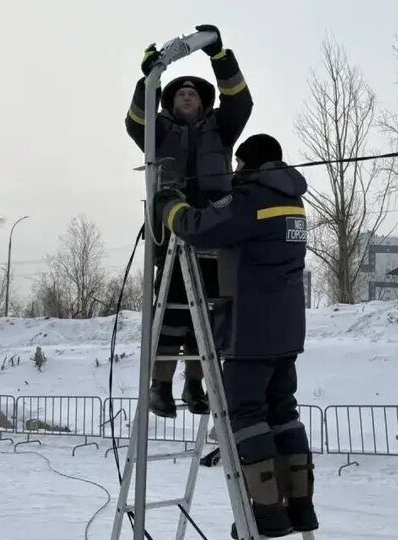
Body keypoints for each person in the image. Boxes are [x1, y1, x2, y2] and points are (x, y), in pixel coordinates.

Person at [156, 134, 318, 538]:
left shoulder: (251, 199)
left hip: (251, 330)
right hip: (286, 330)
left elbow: (198, 227)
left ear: (246, 163)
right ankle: (299, 508)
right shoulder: (291, 200)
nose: (235, 172)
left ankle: (266, 513)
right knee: (283, 412)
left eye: (238, 165)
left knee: (246, 415)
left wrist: (168, 204)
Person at [124, 24, 253, 418]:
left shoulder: (222, 129)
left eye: (193, 93)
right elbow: (135, 121)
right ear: (169, 102)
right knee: (173, 315)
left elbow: (240, 102)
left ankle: (196, 385)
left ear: (204, 102)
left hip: (214, 234)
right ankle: (160, 386)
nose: (186, 95)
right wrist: (149, 79)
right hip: (172, 235)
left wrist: (220, 56)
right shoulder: (158, 133)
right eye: (179, 93)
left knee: (208, 317)